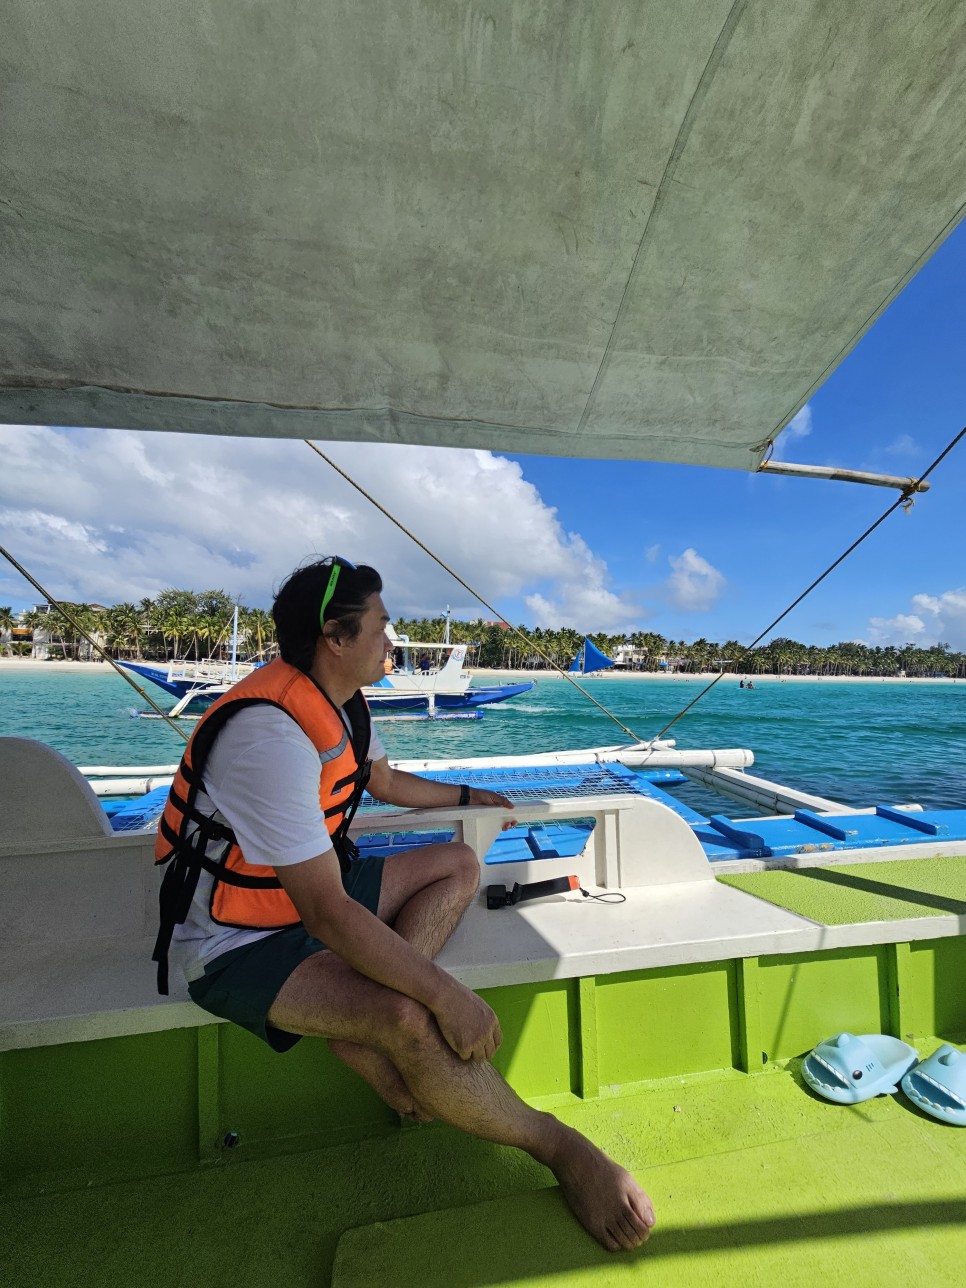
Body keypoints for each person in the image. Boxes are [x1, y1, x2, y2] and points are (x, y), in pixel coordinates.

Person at [153, 556, 654, 1252]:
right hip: (232, 942)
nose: (393, 639)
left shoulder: (341, 700)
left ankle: (353, 1024)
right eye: (383, 626)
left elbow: (382, 781)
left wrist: (470, 799)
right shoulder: (270, 737)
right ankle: (561, 1149)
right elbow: (329, 914)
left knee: (457, 862)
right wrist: (447, 996)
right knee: (409, 1017)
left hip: (301, 898)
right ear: (335, 635)